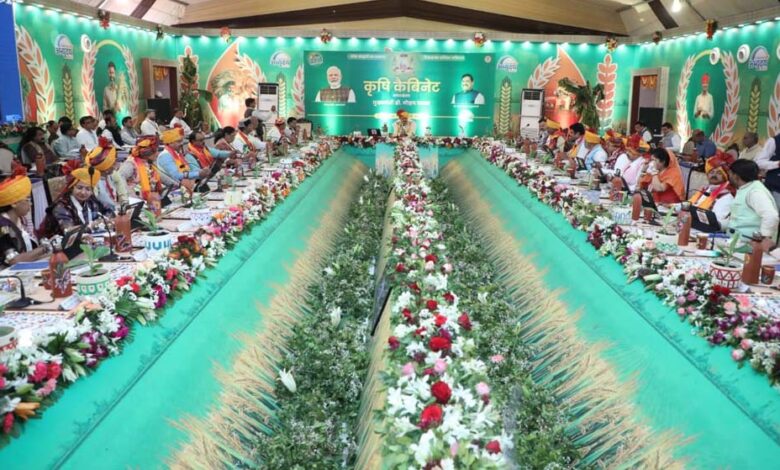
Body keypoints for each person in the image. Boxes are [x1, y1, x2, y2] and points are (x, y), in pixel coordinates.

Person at [45, 167, 114, 236]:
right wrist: (92, 225)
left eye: (88, 189)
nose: (83, 192)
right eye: (79, 188)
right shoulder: (62, 206)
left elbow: (110, 210)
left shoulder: (91, 201)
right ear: (72, 188)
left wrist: (102, 220)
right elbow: (69, 231)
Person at [727, 159, 779, 249]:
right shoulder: (746, 188)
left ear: (735, 176)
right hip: (737, 242)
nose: (729, 177)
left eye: (730, 174)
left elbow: (771, 216)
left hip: (750, 246)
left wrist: (762, 239)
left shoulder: (755, 192)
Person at [0, 175, 49, 266]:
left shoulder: (23, 220)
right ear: (14, 203)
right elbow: (14, 260)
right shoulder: (2, 225)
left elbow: (33, 249)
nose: (31, 204)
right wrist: (45, 248)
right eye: (27, 199)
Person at [118, 135, 175, 201]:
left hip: (151, 200)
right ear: (148, 153)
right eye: (156, 151)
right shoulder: (131, 163)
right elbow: (120, 176)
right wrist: (134, 198)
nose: (157, 153)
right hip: (138, 201)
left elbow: (161, 176)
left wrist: (176, 185)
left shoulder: (148, 162)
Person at [687, 156, 735, 228]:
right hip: (694, 224)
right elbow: (691, 205)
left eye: (719, 173)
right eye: (711, 172)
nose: (714, 175)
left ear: (725, 176)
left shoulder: (726, 196)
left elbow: (715, 221)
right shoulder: (706, 190)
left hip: (707, 229)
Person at [85, 137, 128, 210]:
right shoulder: (93, 181)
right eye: (113, 164)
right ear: (105, 168)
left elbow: (122, 191)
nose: (115, 166)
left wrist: (125, 203)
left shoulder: (112, 174)